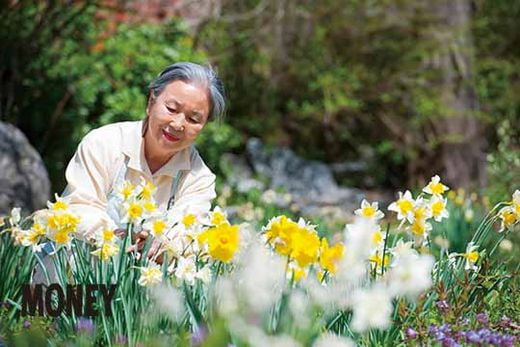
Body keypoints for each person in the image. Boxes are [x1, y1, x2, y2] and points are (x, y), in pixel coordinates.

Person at [62, 62, 225, 249]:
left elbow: (188, 236)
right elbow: (79, 206)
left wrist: (162, 246)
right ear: (151, 103)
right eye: (171, 109)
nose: (178, 124)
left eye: (193, 119)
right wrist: (119, 239)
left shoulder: (199, 178)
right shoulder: (103, 143)